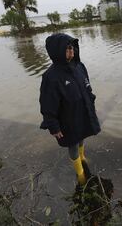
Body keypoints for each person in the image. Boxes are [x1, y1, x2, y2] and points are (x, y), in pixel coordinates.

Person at [39, 33, 100, 185]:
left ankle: (82, 157)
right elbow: (47, 104)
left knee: (82, 137)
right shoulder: (50, 77)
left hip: (82, 111)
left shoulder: (80, 66)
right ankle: (79, 173)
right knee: (72, 143)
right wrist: (53, 125)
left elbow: (87, 86)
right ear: (56, 51)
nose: (71, 52)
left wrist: (91, 101)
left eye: (72, 48)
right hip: (67, 118)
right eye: (66, 49)